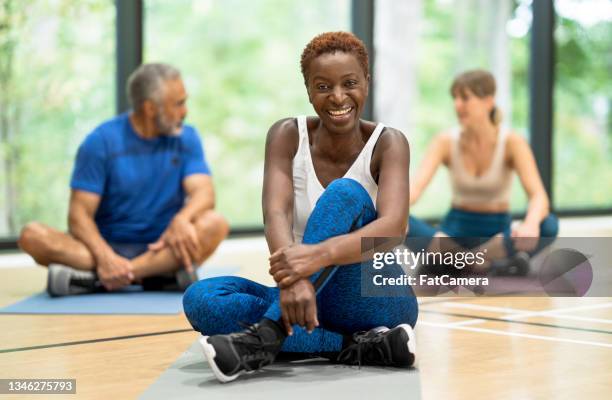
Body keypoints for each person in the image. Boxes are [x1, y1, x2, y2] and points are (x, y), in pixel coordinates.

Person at [182, 32, 417, 384]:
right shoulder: (286, 135)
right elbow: (275, 214)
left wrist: (312, 258)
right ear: (308, 89)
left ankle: (267, 335)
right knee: (201, 298)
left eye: (350, 83)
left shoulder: (389, 142)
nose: (338, 97)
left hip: (378, 297)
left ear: (367, 82)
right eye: (323, 86)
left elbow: (394, 228)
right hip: (309, 294)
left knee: (345, 193)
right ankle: (356, 346)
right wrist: (295, 280)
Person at [17, 63, 229, 296]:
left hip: (161, 248)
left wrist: (182, 219)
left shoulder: (186, 137)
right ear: (150, 108)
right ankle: (153, 276)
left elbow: (205, 193)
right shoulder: (100, 142)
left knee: (215, 224)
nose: (185, 111)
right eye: (178, 104)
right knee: (32, 236)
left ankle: (101, 279)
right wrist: (105, 256)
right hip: (104, 246)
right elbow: (78, 216)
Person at [407, 69, 558, 275]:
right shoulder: (444, 142)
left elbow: (539, 196)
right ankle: (487, 264)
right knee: (400, 220)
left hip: (495, 236)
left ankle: (455, 262)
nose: (457, 105)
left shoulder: (512, 142)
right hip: (455, 232)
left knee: (548, 225)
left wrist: (530, 224)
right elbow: (414, 190)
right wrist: (391, 213)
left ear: (488, 101)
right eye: (455, 98)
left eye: (465, 98)